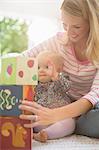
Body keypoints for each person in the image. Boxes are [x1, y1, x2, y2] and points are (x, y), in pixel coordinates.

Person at [19, 0, 99, 138]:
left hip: (89, 108)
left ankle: (71, 124)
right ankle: (69, 124)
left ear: (92, 23)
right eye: (65, 24)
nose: (69, 32)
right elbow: (23, 58)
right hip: (62, 102)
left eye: (77, 26)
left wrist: (55, 115)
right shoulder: (59, 41)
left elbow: (94, 95)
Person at [33, 51, 75, 142]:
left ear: (58, 70)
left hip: (60, 117)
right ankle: (39, 133)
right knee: (33, 120)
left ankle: (46, 134)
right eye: (38, 67)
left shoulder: (60, 81)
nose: (41, 70)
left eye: (47, 67)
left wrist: (57, 77)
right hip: (43, 118)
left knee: (70, 123)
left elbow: (67, 87)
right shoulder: (35, 85)